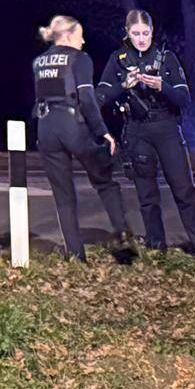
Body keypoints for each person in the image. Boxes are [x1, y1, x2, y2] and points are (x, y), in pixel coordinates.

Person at [98, 10, 195, 263]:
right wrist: (124, 86)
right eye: (136, 34)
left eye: (145, 33)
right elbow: (100, 95)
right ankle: (156, 247)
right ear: (127, 33)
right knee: (146, 193)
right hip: (136, 129)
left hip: (166, 127)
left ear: (152, 32)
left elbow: (184, 98)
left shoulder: (166, 58)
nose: (141, 39)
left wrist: (161, 86)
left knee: (184, 189)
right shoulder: (118, 59)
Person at [31, 15, 136, 263]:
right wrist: (103, 132)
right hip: (72, 126)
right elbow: (87, 99)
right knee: (105, 182)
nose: (84, 40)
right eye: (80, 36)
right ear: (68, 36)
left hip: (45, 128)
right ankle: (123, 243)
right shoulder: (80, 59)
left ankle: (76, 256)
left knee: (63, 195)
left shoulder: (39, 62)